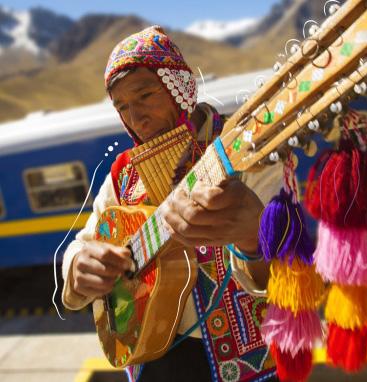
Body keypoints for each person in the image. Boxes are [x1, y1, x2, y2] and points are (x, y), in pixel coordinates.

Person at [62, 26, 282, 382]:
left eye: (145, 95)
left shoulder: (246, 151)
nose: (136, 118)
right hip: (152, 359)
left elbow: (291, 275)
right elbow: (81, 248)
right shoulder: (122, 176)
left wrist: (255, 238)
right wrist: (77, 269)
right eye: (122, 107)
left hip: (246, 364)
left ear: (178, 86)